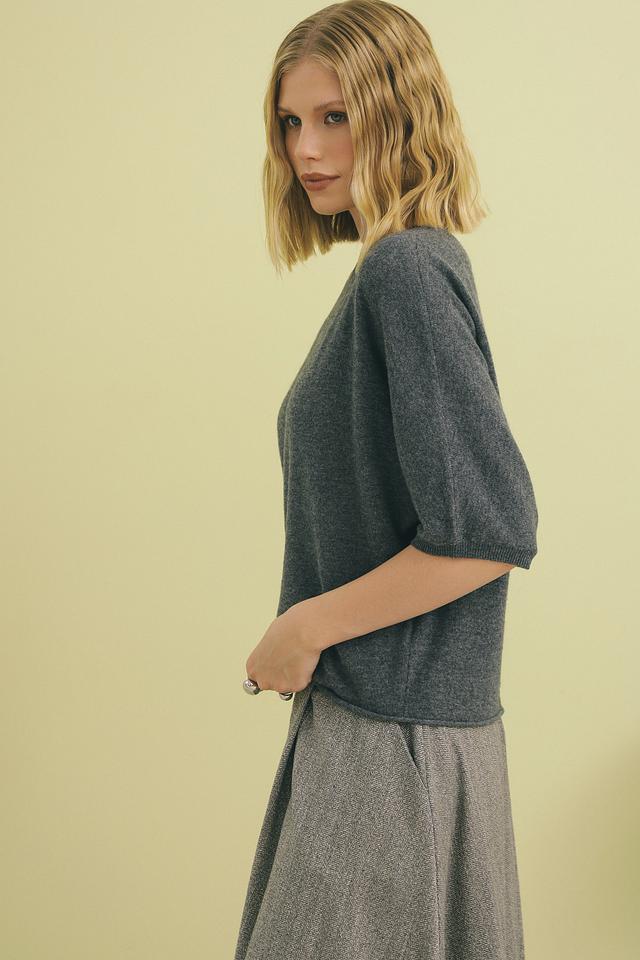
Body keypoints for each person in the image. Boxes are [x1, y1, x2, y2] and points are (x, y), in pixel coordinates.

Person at [234, 2, 539, 958]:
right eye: (291, 122)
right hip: (391, 733)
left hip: (392, 746)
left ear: (399, 113)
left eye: (336, 117)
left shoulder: (405, 270)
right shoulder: (393, 272)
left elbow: (490, 531)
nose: (306, 149)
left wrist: (302, 628)